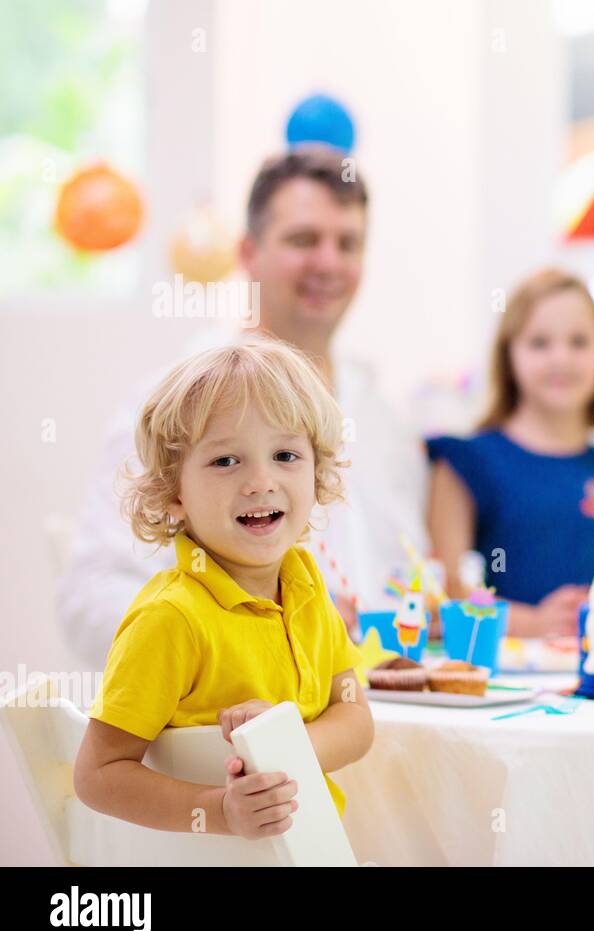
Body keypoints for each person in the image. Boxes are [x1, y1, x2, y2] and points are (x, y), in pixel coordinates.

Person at [60, 148, 428, 666]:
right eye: (304, 240)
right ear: (248, 252)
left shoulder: (383, 418)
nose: (328, 262)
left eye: (348, 243)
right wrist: (239, 644)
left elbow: (410, 574)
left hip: (386, 707)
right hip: (234, 727)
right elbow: (91, 597)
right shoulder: (173, 405)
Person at [73, 340, 373, 835]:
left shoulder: (306, 587)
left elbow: (356, 718)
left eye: (284, 454)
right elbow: (97, 775)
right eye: (225, 461)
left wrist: (284, 742)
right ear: (173, 492)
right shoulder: (171, 618)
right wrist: (220, 812)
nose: (261, 480)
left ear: (317, 475)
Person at [427, 268, 594, 637]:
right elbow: (443, 593)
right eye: (539, 342)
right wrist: (531, 623)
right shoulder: (464, 463)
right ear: (508, 355)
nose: (561, 358)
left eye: (579, 342)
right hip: (498, 681)